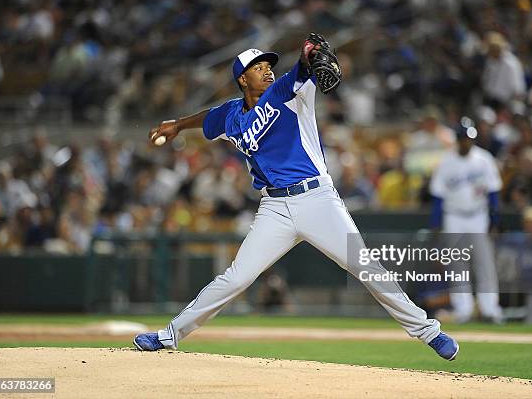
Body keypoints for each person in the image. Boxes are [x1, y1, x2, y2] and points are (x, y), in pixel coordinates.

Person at [133, 35, 459, 360]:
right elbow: (208, 117)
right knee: (236, 277)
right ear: (242, 79)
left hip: (317, 199)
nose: (267, 71)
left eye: (268, 66)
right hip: (274, 208)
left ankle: (429, 332)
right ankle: (170, 334)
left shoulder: (286, 91)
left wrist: (307, 56)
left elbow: (301, 71)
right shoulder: (231, 115)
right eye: (258, 68)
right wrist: (177, 124)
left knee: (366, 267)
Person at [430, 118, 503, 324]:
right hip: (454, 216)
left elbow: (494, 191)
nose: (466, 142)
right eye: (463, 139)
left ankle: (490, 309)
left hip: (478, 215)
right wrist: (436, 224)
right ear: (457, 139)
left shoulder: (484, 159)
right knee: (456, 264)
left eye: (469, 139)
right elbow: (438, 196)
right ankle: (463, 309)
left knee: (485, 263)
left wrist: (494, 219)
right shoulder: (446, 162)